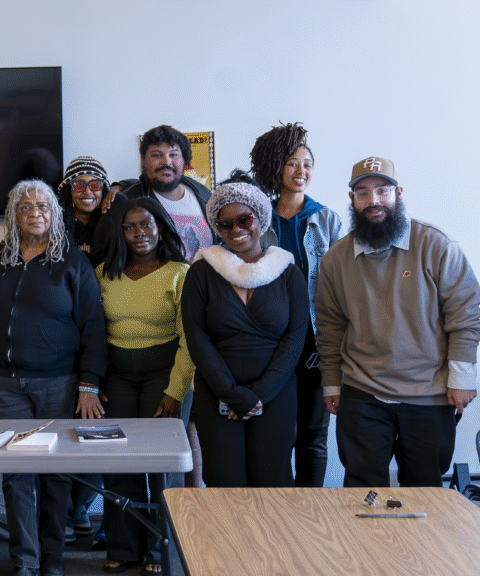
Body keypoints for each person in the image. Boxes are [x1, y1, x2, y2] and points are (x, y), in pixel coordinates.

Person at [315, 157, 480, 488]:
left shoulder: (435, 244)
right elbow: (330, 326)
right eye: (362, 192)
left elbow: (466, 311)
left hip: (430, 392)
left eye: (382, 190)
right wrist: (331, 382)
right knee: (362, 490)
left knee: (425, 490)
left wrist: (462, 375)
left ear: (398, 193)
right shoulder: (336, 259)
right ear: (352, 200)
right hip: (363, 391)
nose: (373, 200)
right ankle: (363, 543)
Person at [0, 179, 106, 576]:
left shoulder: (73, 261)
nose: (34, 212)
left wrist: (88, 385)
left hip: (59, 383)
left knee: (56, 477)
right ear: (13, 214)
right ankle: (25, 561)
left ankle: (52, 561)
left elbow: (92, 327)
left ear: (54, 213)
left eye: (42, 206)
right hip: (6, 386)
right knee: (16, 477)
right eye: (25, 206)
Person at [181, 170, 308, 488]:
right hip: (217, 393)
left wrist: (257, 395)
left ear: (260, 220)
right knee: (224, 482)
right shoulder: (201, 272)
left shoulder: (288, 273)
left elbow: (295, 339)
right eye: (225, 223)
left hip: (276, 394)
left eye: (244, 219)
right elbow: (197, 337)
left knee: (272, 481)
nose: (236, 229)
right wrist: (233, 394)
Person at [98, 198, 193, 574]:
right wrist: (94, 381)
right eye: (131, 226)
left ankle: (161, 549)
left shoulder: (179, 273)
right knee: (119, 462)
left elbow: (189, 338)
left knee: (162, 466)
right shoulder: (103, 272)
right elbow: (93, 329)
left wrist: (175, 390)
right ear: (120, 232)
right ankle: (124, 547)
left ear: (161, 228)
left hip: (164, 374)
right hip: (117, 377)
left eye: (147, 225)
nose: (140, 233)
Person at [249, 123, 343, 488]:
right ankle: (279, 516)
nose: (301, 172)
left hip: (316, 341)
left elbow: (341, 283)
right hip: (271, 340)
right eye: (292, 163)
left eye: (307, 164)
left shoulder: (327, 219)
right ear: (275, 167)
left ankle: (311, 512)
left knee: (313, 433)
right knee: (274, 432)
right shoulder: (258, 219)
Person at [55, 156, 107, 546]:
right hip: (62, 340)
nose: (87, 191)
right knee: (65, 430)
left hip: (106, 333)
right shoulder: (54, 227)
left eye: (96, 184)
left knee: (96, 429)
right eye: (79, 184)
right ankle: (64, 512)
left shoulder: (116, 224)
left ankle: (80, 508)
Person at [97, 125, 214, 262]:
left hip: (208, 282)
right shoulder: (125, 201)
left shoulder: (203, 193)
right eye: (156, 155)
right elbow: (101, 254)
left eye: (174, 155)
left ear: (184, 160)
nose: (166, 162)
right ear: (143, 160)